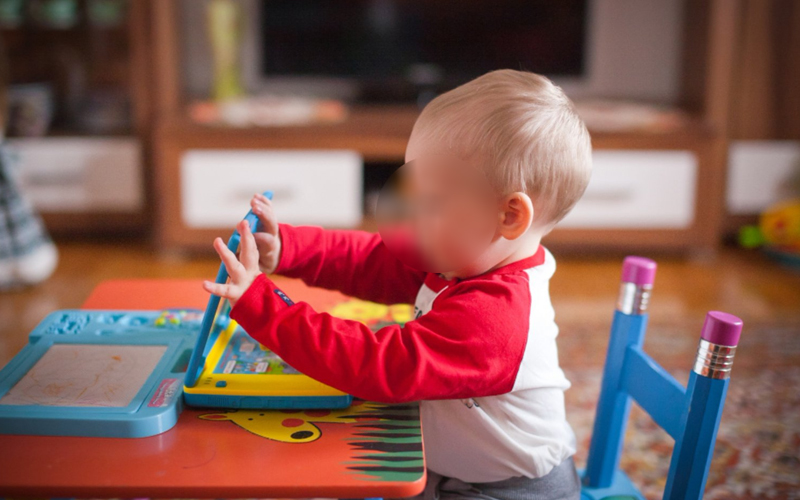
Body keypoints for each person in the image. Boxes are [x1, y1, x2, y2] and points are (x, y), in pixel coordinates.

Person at [204, 69, 592, 500]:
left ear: (509, 217)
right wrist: (288, 248)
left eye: (428, 202)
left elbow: (377, 365)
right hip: (452, 468)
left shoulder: (496, 318)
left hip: (509, 491)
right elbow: (372, 260)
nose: (408, 212)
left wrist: (264, 305)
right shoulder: (462, 258)